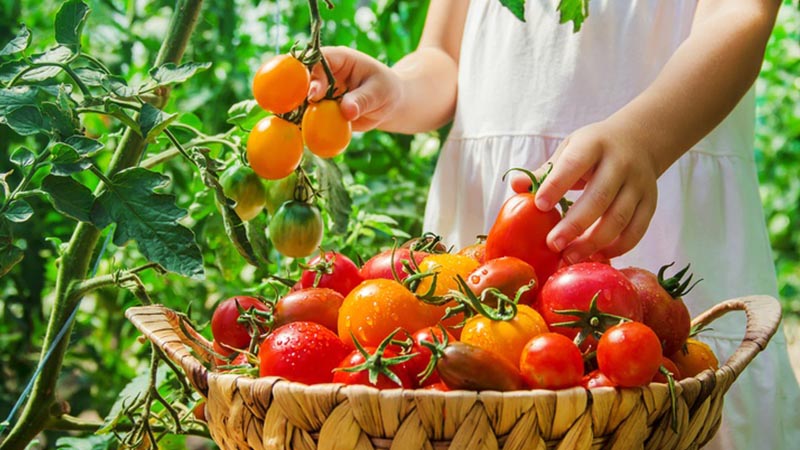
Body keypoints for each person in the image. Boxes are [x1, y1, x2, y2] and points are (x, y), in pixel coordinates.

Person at [307, 1, 800, 448]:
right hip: (493, 224)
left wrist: (647, 139)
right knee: (479, 407)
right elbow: (443, 57)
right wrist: (396, 89)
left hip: (661, 182)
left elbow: (742, 15)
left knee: (672, 399)